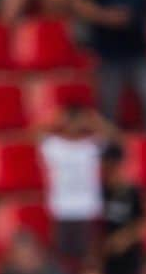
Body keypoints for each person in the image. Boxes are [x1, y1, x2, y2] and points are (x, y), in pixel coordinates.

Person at [75, 0, 146, 131]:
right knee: (108, 107)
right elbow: (81, 4)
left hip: (140, 50)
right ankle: (110, 149)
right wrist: (106, 16)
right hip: (108, 53)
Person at [38, 103, 118, 264]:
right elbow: (33, 134)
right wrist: (56, 120)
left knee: (89, 256)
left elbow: (114, 137)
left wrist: (94, 120)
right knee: (61, 256)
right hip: (61, 207)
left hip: (87, 207)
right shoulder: (54, 146)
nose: (74, 125)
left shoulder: (91, 145)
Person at [99, 143, 146, 274]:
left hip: (130, 256)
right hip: (108, 257)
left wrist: (124, 239)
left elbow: (145, 223)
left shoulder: (133, 192)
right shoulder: (102, 192)